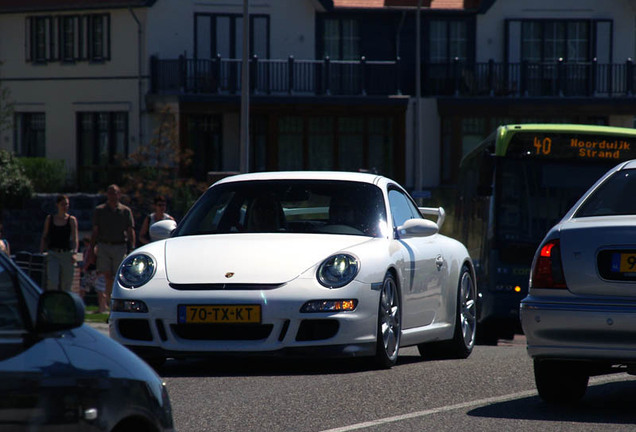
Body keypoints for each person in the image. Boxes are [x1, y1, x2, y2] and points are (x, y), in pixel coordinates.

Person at [91, 184, 135, 313]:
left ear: (119, 194)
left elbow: (130, 229)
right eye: (110, 192)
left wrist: (132, 248)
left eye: (115, 193)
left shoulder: (125, 211)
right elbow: (95, 230)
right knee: (106, 276)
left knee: (119, 276)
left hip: (120, 246)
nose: (112, 195)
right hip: (104, 245)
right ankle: (110, 304)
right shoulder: (100, 210)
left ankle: (118, 303)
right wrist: (92, 248)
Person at [40, 194, 79, 291]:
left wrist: (75, 253)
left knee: (67, 283)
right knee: (52, 281)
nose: (65, 207)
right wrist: (42, 251)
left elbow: (75, 239)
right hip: (53, 253)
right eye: (63, 204)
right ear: (57, 205)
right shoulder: (50, 219)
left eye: (67, 204)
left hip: (67, 253)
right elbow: (44, 236)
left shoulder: (71, 220)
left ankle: (64, 303)